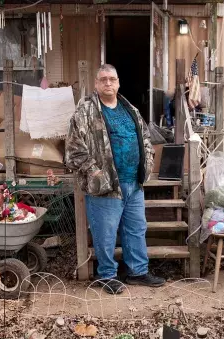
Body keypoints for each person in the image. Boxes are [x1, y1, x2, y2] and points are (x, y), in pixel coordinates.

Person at [65, 64, 166, 294]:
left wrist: (147, 163)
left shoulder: (129, 109)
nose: (108, 83)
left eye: (112, 79)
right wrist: (94, 171)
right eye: (103, 79)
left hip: (134, 183)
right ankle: (107, 275)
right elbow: (73, 149)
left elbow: (146, 138)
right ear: (96, 83)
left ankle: (138, 272)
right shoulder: (85, 111)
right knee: (106, 232)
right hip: (106, 185)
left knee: (136, 229)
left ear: (118, 82)